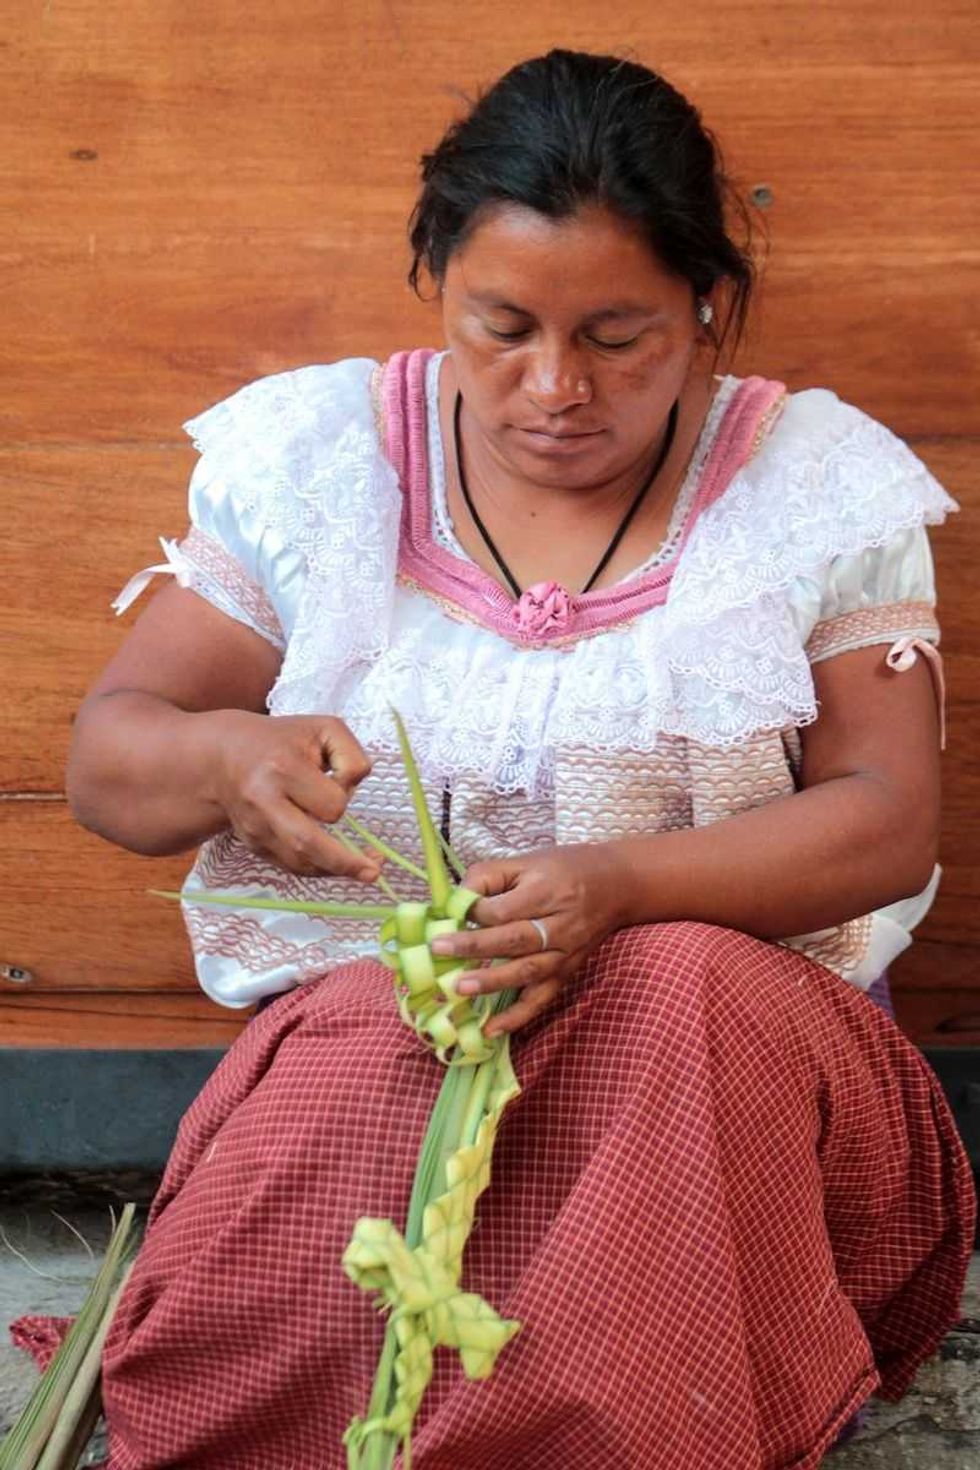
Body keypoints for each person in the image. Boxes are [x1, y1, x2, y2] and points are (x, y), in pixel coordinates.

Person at [67, 48, 974, 1470]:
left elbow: (887, 819)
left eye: (620, 336)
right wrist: (230, 759)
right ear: (437, 281)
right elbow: (111, 760)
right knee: (384, 1050)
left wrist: (616, 885)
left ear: (708, 309)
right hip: (395, 1023)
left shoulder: (813, 484)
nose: (554, 387)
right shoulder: (322, 461)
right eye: (503, 327)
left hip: (733, 1055)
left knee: (678, 986)